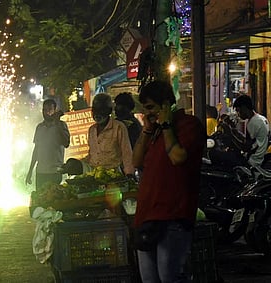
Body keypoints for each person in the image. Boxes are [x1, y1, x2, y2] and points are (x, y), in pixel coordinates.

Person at [132, 80, 206, 282]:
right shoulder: (154, 131)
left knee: (170, 278)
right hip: (147, 215)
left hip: (172, 217)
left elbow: (177, 157)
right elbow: (135, 161)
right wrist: (147, 129)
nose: (148, 113)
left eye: (151, 108)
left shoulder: (189, 125)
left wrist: (166, 125)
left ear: (165, 105)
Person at [82, 92, 134, 175]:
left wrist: (129, 174)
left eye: (101, 110)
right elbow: (92, 155)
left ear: (109, 111)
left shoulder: (119, 127)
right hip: (95, 175)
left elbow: (127, 154)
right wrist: (80, 163)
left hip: (114, 176)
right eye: (95, 110)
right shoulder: (92, 130)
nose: (97, 114)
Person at [26, 99, 70, 191]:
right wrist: (30, 171)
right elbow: (36, 150)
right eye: (44, 110)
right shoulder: (39, 127)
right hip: (41, 172)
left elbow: (66, 143)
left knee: (54, 200)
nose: (47, 112)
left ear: (55, 111)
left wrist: (57, 123)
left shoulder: (61, 125)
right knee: (40, 200)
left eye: (50, 109)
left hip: (55, 172)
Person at [232, 95, 270, 168]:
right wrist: (235, 132)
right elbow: (249, 140)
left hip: (253, 161)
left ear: (244, 108)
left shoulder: (253, 122)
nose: (238, 114)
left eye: (238, 110)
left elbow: (245, 147)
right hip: (260, 157)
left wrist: (231, 135)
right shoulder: (261, 119)